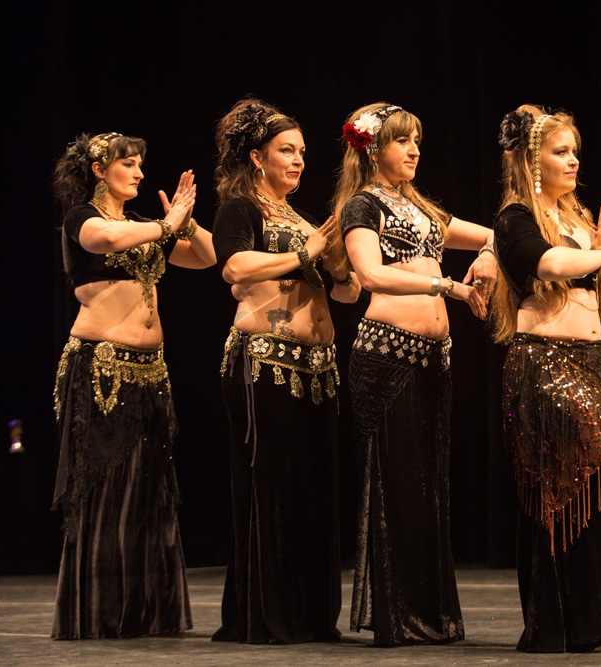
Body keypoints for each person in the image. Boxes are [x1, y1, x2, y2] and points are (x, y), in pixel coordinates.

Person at [490, 105, 601, 653]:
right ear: (532, 160)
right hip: (544, 366)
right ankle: (564, 622)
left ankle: (595, 621)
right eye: (560, 151)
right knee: (566, 486)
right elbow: (550, 266)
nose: (573, 160)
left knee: (593, 483)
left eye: (575, 152)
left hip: (589, 367)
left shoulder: (579, 221)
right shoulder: (515, 219)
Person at [330, 102, 497, 647]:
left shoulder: (421, 209)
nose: (414, 150)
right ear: (373, 148)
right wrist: (446, 286)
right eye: (402, 141)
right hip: (386, 356)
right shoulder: (362, 205)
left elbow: (496, 233)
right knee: (397, 485)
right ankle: (399, 615)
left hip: (433, 358)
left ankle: (428, 611)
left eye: (417, 141)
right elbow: (371, 274)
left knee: (428, 488)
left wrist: (489, 256)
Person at [51, 131, 215, 638]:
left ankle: (147, 612)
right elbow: (104, 240)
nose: (140, 172)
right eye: (129, 163)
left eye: (141, 164)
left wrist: (186, 223)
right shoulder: (82, 217)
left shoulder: (144, 223)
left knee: (147, 488)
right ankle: (100, 613)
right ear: (99, 170)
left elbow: (207, 257)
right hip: (102, 367)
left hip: (150, 370)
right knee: (105, 487)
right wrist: (165, 225)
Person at [211, 99, 360, 644]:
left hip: (316, 371)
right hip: (264, 365)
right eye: (286, 151)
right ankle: (266, 615)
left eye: (301, 152)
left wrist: (339, 268)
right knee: (272, 491)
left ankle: (309, 615)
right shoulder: (240, 208)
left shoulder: (301, 220)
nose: (298, 160)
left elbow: (347, 293)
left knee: (312, 494)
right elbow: (234, 266)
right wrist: (306, 255)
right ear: (257, 156)